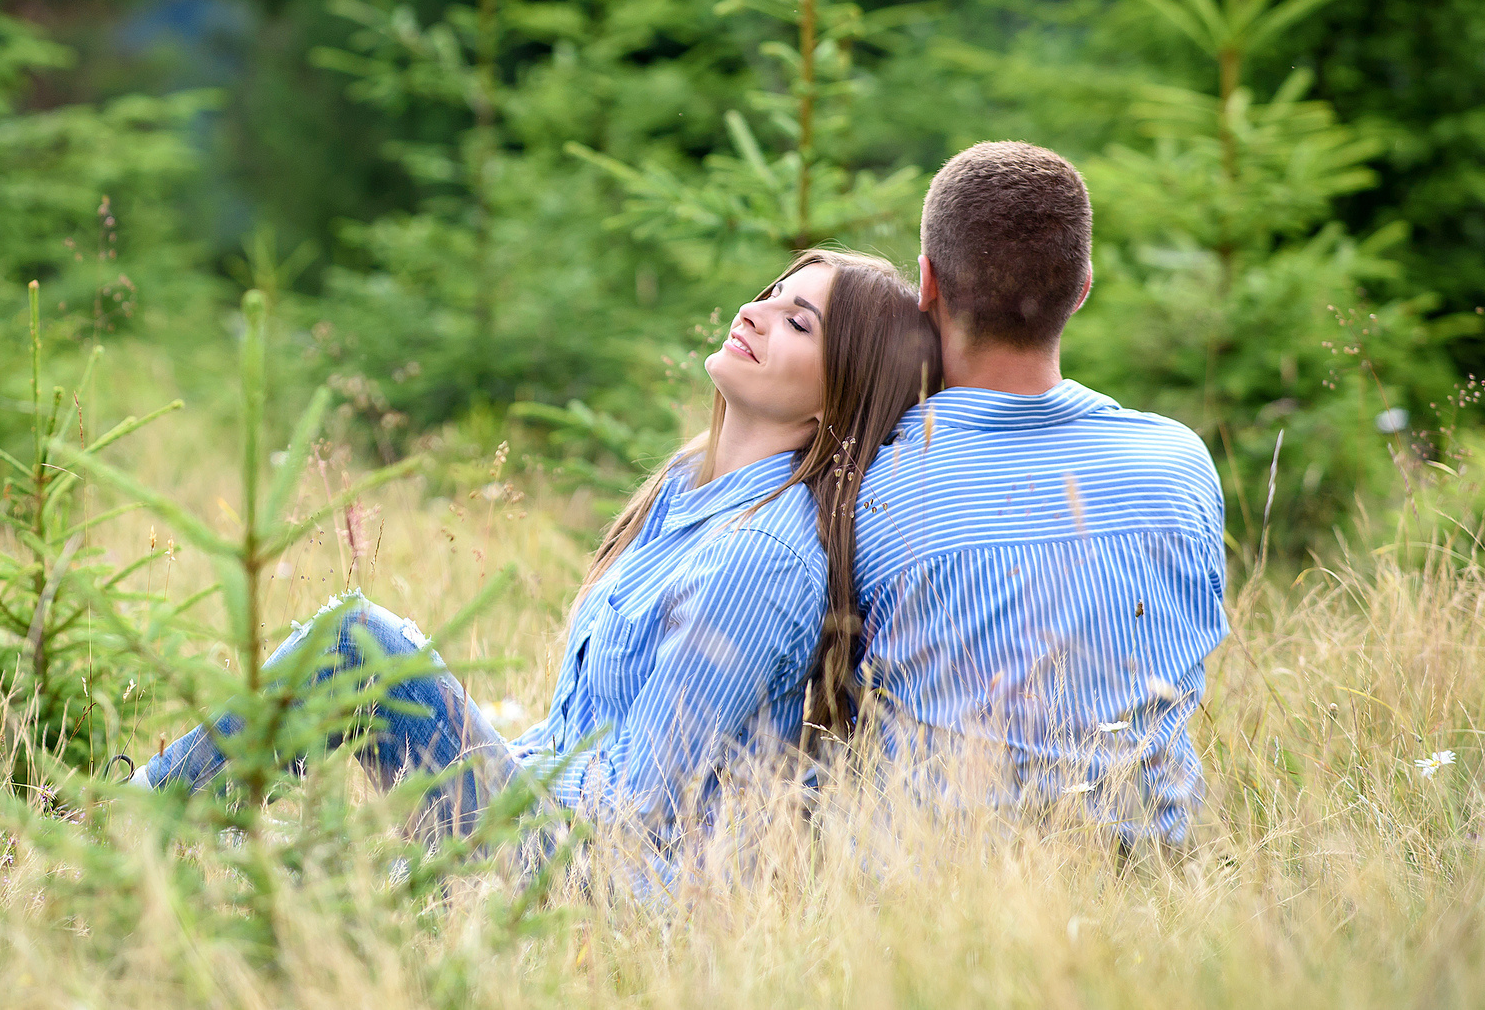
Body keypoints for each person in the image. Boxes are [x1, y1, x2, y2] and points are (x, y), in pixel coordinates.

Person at [132, 248, 940, 850]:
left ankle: (133, 824)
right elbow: (577, 733)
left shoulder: (762, 556)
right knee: (364, 681)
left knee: (363, 642)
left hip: (585, 881)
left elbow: (635, 805)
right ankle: (162, 832)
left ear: (845, 389)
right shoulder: (682, 491)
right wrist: (484, 754)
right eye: (772, 293)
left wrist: (474, 765)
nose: (758, 311)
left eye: (799, 321)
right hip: (537, 827)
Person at [852, 141, 1227, 844]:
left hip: (935, 891)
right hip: (1158, 876)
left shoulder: (878, 484)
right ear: (1082, 286)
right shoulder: (1179, 461)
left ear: (927, 282)